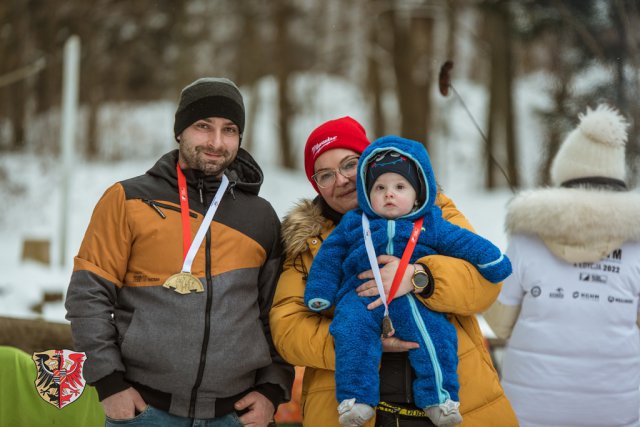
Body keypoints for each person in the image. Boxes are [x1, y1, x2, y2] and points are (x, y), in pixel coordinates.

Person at [65, 77, 294, 427]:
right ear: (180, 131)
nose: (217, 142)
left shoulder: (260, 216)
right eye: (204, 126)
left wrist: (271, 391)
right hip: (145, 410)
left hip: (236, 416)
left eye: (229, 130)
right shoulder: (128, 200)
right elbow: (88, 296)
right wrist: (109, 383)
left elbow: (277, 313)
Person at [269, 116, 518, 427]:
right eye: (325, 175)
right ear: (315, 184)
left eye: (350, 164)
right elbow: (287, 327)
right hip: (350, 410)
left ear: (370, 163)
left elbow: (484, 285)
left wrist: (418, 277)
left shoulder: (433, 213)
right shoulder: (306, 241)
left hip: (461, 405)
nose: (343, 179)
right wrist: (358, 343)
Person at [484, 104, 640, 427]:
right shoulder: (636, 248)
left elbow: (498, 324)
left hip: (528, 412)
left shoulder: (527, 239)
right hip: (617, 411)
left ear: (564, 175)